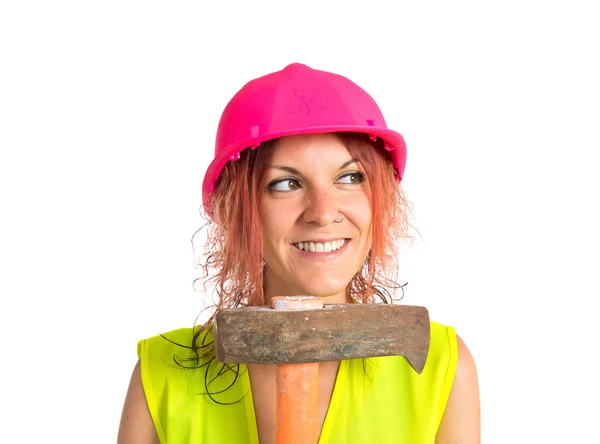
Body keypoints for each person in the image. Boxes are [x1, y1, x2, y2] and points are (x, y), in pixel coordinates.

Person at [117, 62, 480, 443]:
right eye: (286, 183)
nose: (323, 213)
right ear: (236, 208)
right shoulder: (161, 378)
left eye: (350, 177)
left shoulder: (441, 369)